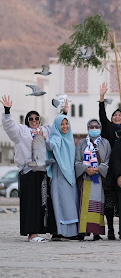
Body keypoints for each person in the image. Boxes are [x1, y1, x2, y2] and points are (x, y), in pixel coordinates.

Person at [0, 94, 57, 242]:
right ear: (27, 120)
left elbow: (58, 125)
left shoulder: (45, 130)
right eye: (31, 119)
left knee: (42, 202)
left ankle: (39, 231)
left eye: (36, 118)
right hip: (28, 172)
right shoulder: (21, 132)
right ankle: (32, 234)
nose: (34, 121)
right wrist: (7, 110)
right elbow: (9, 126)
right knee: (30, 203)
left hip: (42, 172)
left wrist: (63, 110)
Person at [75, 118, 111, 240]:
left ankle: (96, 232)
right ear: (88, 128)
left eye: (96, 127)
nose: (94, 129)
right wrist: (86, 168)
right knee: (84, 205)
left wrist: (97, 169)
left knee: (97, 204)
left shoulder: (105, 143)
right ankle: (83, 231)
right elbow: (77, 161)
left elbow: (108, 161)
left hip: (98, 179)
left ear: (100, 128)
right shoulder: (81, 143)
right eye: (91, 127)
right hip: (85, 179)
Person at [46, 113, 79, 240]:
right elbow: (50, 145)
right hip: (59, 174)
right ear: (57, 126)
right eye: (62, 124)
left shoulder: (70, 139)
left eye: (66, 124)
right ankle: (59, 231)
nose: (65, 126)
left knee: (71, 203)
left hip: (70, 176)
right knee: (59, 203)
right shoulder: (55, 138)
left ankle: (72, 232)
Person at [99, 82, 121, 240]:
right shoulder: (107, 128)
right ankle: (110, 229)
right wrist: (101, 98)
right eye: (115, 115)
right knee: (109, 202)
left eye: (120, 115)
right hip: (109, 170)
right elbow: (102, 115)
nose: (117, 117)